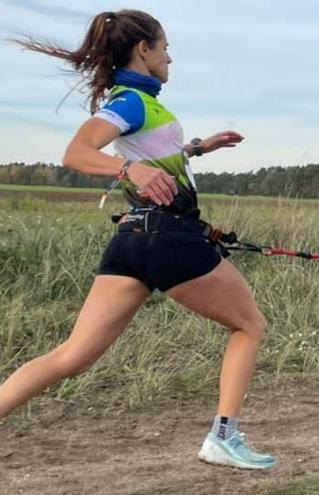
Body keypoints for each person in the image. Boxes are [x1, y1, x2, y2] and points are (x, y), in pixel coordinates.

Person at [1, 10, 275, 470]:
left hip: (135, 237)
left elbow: (150, 156)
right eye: (165, 48)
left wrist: (195, 151)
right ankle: (223, 436)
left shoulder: (143, 105)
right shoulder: (131, 101)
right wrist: (128, 169)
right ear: (144, 51)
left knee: (72, 355)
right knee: (250, 325)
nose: (170, 58)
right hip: (167, 235)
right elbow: (76, 153)